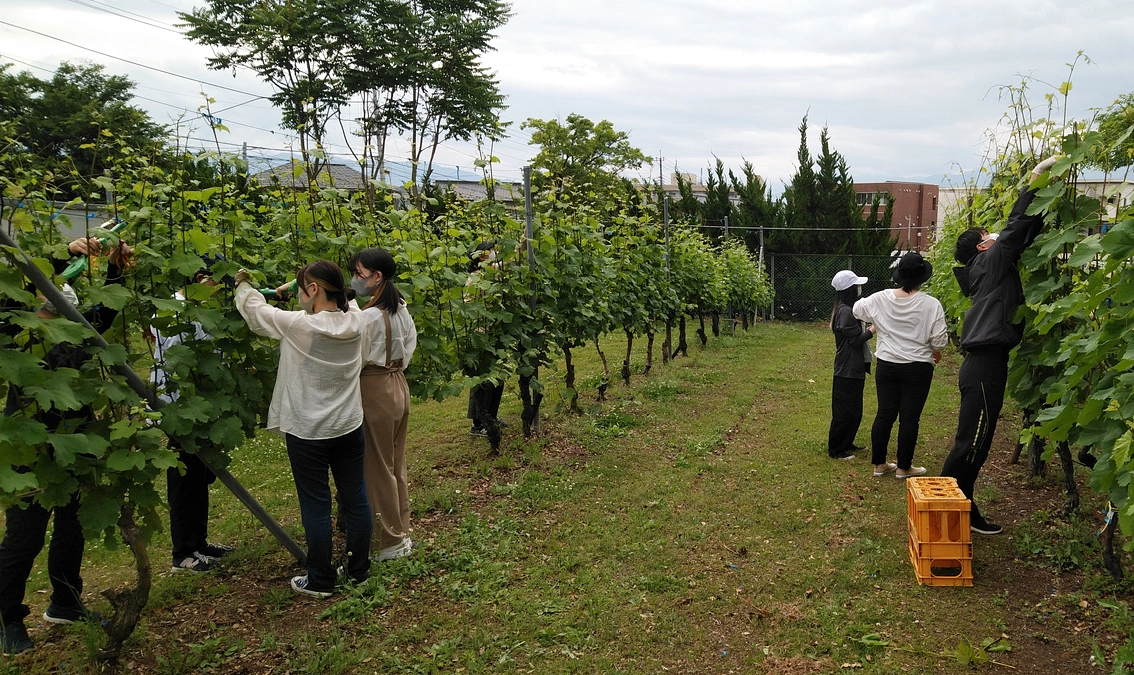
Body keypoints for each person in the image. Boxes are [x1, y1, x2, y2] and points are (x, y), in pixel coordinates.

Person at [0, 237, 132, 655]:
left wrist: (114, 271)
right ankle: (6, 621)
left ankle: (65, 601)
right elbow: (21, 280)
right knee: (24, 536)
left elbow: (103, 316)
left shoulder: (71, 328)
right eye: (44, 290)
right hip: (28, 443)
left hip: (76, 435)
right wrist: (64, 254)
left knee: (73, 523)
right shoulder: (15, 327)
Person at [234, 260, 371, 598]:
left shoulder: (298, 325)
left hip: (309, 431)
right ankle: (358, 571)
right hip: (348, 425)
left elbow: (255, 311)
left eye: (302, 288)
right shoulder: (357, 319)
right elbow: (347, 299)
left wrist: (241, 283)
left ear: (312, 290)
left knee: (315, 504)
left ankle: (321, 581)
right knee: (356, 497)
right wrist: (304, 289)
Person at [941, 156, 1058, 536]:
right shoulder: (990, 262)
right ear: (981, 247)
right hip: (984, 364)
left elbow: (1020, 236)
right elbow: (1014, 229)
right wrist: (1036, 180)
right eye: (987, 235)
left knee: (977, 439)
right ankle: (948, 509)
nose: (994, 236)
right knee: (972, 442)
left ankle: (958, 508)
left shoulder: (986, 268)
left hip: (985, 362)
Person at [149, 255, 235, 573]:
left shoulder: (202, 310)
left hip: (202, 403)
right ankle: (182, 553)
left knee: (200, 475)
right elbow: (172, 365)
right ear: (200, 278)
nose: (218, 291)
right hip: (180, 407)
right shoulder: (172, 311)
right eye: (215, 283)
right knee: (184, 479)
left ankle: (200, 542)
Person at [348, 248, 418, 562]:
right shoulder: (399, 307)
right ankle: (400, 530)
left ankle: (386, 541)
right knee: (394, 463)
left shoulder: (369, 316)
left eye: (360, 274)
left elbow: (355, 358)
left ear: (377, 277)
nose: (355, 280)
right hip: (398, 383)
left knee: (375, 467)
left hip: (374, 386)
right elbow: (410, 346)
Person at [853, 252, 948, 479]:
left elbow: (857, 309)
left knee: (885, 413)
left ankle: (879, 464)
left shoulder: (880, 298)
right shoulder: (931, 305)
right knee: (910, 417)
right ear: (922, 278)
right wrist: (931, 347)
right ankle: (904, 467)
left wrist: (879, 321)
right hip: (918, 367)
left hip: (887, 364)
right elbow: (940, 341)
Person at [827, 270, 875, 461]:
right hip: (846, 369)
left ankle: (847, 443)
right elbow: (855, 340)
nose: (859, 288)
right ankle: (836, 449)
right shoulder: (845, 311)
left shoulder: (846, 309)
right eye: (856, 285)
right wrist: (873, 329)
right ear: (850, 289)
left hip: (853, 369)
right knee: (843, 412)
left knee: (854, 410)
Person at [464, 240, 506, 437]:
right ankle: (478, 423)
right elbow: (470, 310)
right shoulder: (475, 279)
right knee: (482, 382)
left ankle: (491, 416)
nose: (494, 253)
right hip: (482, 336)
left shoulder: (491, 273)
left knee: (497, 379)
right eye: (491, 250)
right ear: (481, 256)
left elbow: (512, 260)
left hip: (494, 334)